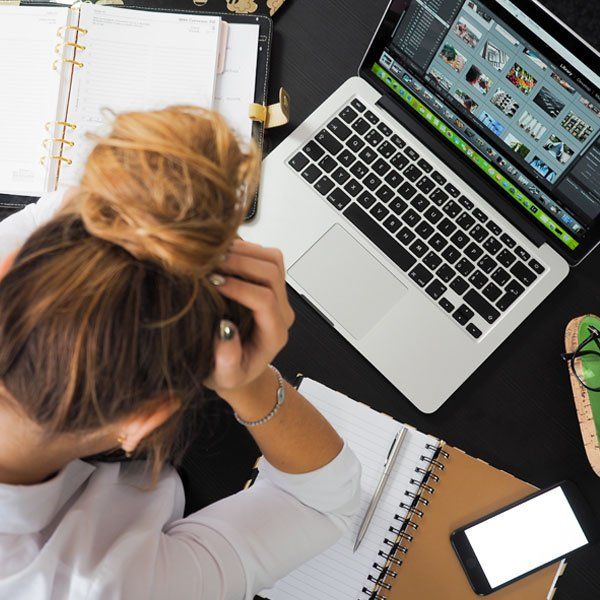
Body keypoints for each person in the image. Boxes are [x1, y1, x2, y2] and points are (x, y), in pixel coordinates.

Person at [0, 107, 361, 599]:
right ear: (144, 421)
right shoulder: (104, 587)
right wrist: (250, 384)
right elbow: (320, 503)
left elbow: (67, 208)